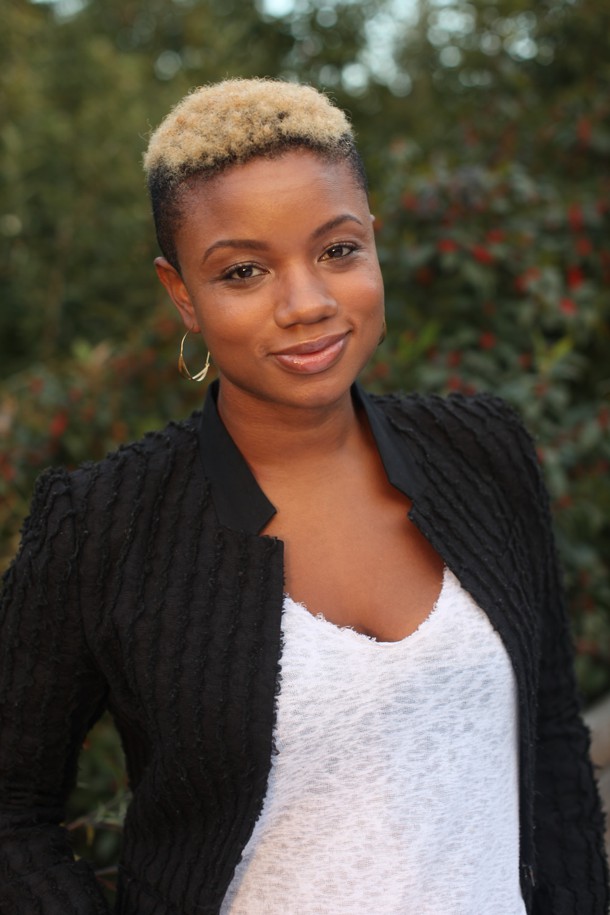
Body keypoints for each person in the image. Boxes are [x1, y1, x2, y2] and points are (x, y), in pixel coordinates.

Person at [0, 78, 607, 915]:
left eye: (337, 250)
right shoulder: (104, 524)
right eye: (244, 271)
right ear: (182, 294)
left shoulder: (485, 453)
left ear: (374, 243)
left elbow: (552, 741)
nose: (307, 304)